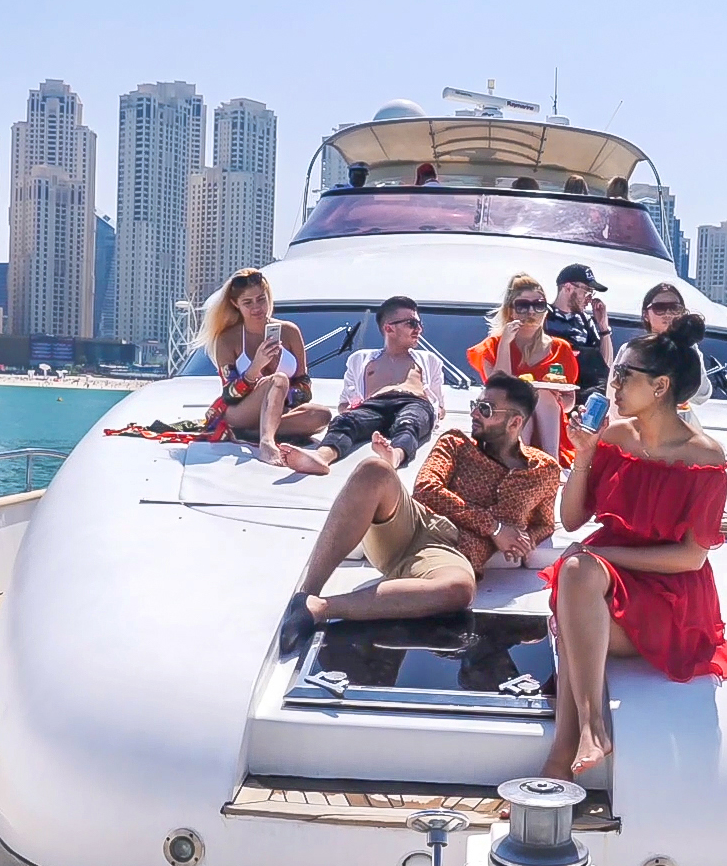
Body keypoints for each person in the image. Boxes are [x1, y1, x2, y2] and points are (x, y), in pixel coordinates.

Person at [540, 315, 727, 778]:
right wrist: (584, 453)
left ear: (660, 386)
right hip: (602, 583)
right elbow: (572, 519)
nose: (613, 383)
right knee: (576, 577)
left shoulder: (705, 457)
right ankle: (586, 735)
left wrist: (600, 554)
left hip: (670, 596)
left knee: (577, 583)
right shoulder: (616, 438)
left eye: (624, 374)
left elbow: (690, 558)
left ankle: (570, 747)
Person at [278, 374, 560, 655]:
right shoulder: (455, 442)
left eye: (485, 409)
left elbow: (545, 523)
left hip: (451, 554)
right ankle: (307, 592)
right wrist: (495, 529)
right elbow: (426, 490)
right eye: (475, 405)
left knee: (460, 589)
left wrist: (522, 541)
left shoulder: (545, 471)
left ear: (514, 422)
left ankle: (318, 608)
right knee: (374, 470)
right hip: (412, 524)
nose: (474, 413)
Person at [281, 296, 446, 475]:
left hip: (414, 402)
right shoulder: (360, 359)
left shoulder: (429, 360)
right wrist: (350, 412)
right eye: (412, 323)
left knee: (410, 421)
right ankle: (321, 456)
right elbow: (344, 404)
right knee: (344, 421)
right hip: (373, 406)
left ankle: (395, 455)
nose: (419, 329)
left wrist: (433, 413)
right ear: (389, 328)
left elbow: (439, 406)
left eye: (420, 324)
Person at [200, 268, 329, 465]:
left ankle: (252, 432)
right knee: (279, 379)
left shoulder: (290, 332)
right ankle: (266, 442)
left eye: (261, 299)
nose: (257, 307)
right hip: (240, 411)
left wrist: (281, 397)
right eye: (247, 302)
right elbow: (229, 396)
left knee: (322, 415)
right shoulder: (227, 339)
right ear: (235, 304)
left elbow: (304, 387)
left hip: (281, 410)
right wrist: (256, 368)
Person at [466, 274, 580, 463]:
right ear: (511, 311)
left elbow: (569, 403)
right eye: (522, 306)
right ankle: (518, 461)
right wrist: (505, 344)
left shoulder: (561, 348)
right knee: (520, 399)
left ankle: (550, 464)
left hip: (552, 434)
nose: (531, 312)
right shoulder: (492, 346)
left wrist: (554, 397)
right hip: (506, 432)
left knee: (542, 395)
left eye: (539, 305)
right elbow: (497, 389)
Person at [617, 283, 713, 406]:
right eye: (659, 308)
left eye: (675, 308)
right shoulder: (631, 350)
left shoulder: (689, 350)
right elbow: (616, 391)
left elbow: (702, 396)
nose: (668, 314)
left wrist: (688, 348)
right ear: (646, 315)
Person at [545, 263, 615, 394]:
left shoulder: (585, 321)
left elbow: (604, 366)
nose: (590, 299)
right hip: (550, 388)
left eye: (592, 293)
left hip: (581, 391)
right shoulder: (544, 316)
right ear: (568, 287)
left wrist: (603, 327)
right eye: (587, 291)